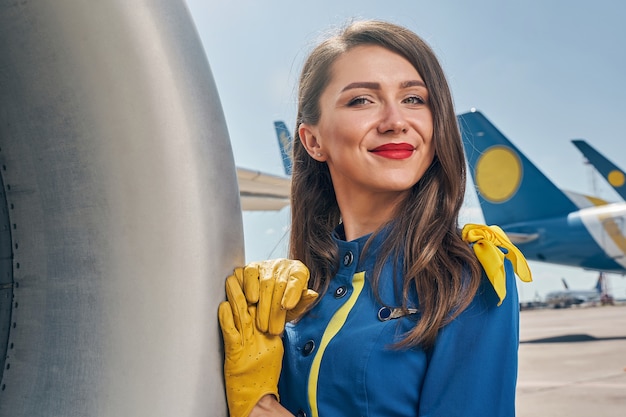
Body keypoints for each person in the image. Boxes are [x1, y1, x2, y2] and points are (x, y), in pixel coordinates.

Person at [218, 19, 532, 417]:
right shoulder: (294, 296)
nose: (395, 121)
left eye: (415, 99)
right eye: (362, 100)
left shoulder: (468, 275)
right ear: (313, 140)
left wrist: (261, 406)